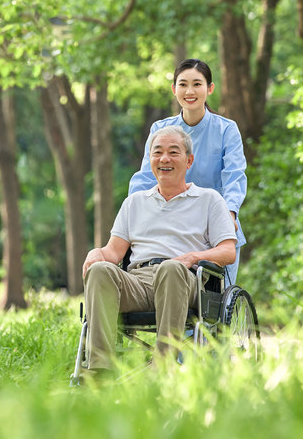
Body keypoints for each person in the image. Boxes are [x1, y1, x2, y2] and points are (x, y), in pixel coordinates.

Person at [83, 125, 237, 374]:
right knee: (100, 270)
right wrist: (95, 254)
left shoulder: (209, 200)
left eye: (173, 152)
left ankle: (163, 365)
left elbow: (228, 252)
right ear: (150, 160)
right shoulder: (134, 203)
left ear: (189, 161)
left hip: (185, 281)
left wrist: (194, 256)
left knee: (171, 268)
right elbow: (113, 253)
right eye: (158, 153)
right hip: (139, 282)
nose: (164, 159)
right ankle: (100, 370)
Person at [128, 58, 247, 286]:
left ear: (209, 88)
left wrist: (229, 213)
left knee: (216, 302)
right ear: (174, 89)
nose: (189, 91)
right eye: (183, 84)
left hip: (214, 225)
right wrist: (132, 211)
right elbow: (144, 177)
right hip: (170, 224)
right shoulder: (160, 130)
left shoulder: (226, 130)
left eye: (197, 84)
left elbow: (234, 176)